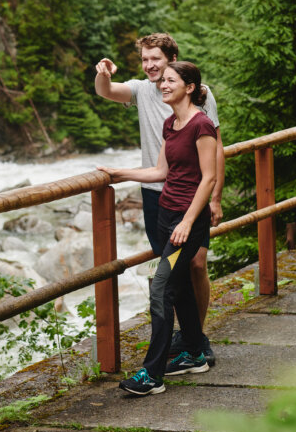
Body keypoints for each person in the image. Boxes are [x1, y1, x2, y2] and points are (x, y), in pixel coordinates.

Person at [94, 33, 225, 365]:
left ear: (173, 59)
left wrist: (216, 197)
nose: (150, 66)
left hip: (192, 193)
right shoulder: (141, 90)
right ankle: (191, 342)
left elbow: (216, 148)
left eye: (156, 59)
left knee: (194, 265)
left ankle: (195, 338)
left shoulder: (198, 92)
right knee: (173, 269)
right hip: (156, 196)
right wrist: (103, 74)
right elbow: (105, 91)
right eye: (144, 59)